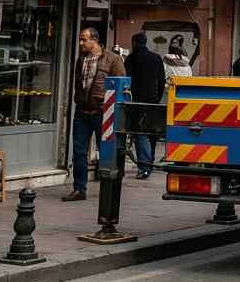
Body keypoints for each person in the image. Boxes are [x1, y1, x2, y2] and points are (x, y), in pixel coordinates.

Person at [63, 27, 125, 202]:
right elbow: (79, 83)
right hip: (82, 111)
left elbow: (121, 85)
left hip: (102, 112)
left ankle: (109, 189)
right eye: (80, 39)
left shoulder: (113, 59)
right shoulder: (81, 59)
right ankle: (79, 189)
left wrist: (113, 110)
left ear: (95, 40)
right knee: (79, 152)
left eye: (84, 39)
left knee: (106, 151)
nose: (81, 43)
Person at [124, 33, 165, 179]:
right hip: (153, 101)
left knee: (140, 133)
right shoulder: (156, 58)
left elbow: (127, 80)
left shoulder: (131, 59)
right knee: (152, 133)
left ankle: (144, 167)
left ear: (134, 42)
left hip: (137, 102)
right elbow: (162, 81)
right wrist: (157, 97)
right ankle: (150, 163)